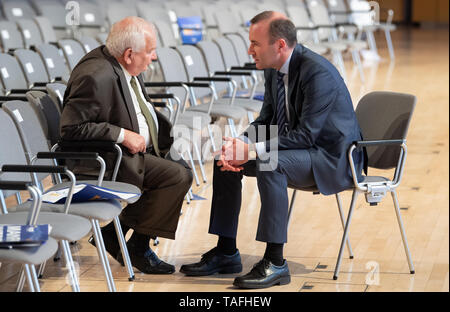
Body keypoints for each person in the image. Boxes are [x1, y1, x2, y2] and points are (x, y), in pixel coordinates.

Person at [180, 11, 366, 289]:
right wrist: (237, 145)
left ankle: (276, 262)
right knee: (225, 160)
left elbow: (306, 134)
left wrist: (251, 149)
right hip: (300, 152)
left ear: (280, 45)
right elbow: (266, 119)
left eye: (255, 43)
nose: (249, 49)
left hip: (332, 158)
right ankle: (226, 252)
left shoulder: (318, 72)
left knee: (270, 162)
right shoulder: (272, 69)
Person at [60, 16, 193, 274]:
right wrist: (122, 134)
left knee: (179, 166)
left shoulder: (123, 63)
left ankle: (114, 233)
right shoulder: (95, 76)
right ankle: (136, 247)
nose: (153, 58)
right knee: (177, 176)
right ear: (130, 53)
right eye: (150, 51)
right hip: (104, 159)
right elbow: (70, 129)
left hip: (133, 150)